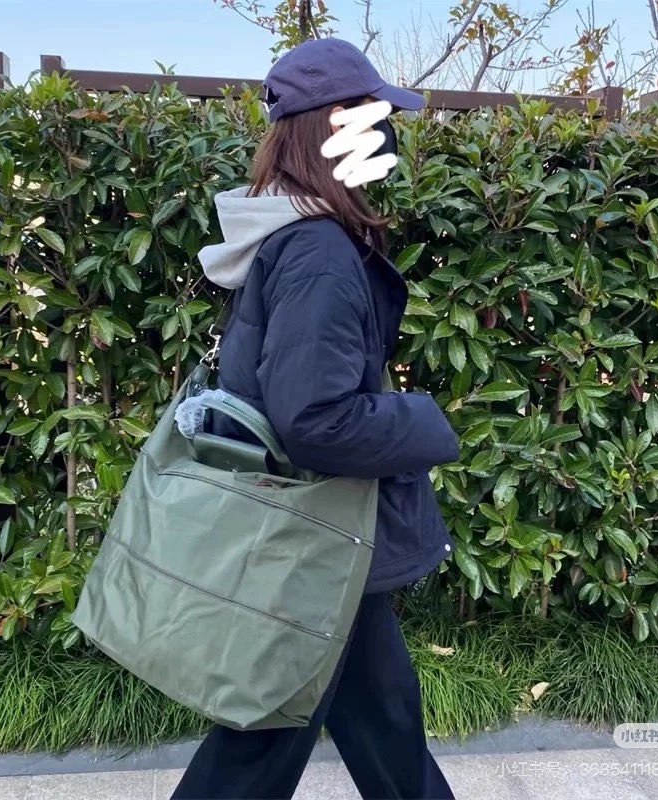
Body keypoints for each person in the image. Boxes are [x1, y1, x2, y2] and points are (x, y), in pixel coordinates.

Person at [171, 37, 459, 800]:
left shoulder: (284, 235)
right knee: (258, 753)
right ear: (336, 127)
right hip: (314, 541)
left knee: (383, 721)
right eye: (376, 117)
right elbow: (315, 418)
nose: (389, 135)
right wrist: (425, 424)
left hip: (317, 538)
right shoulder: (317, 255)